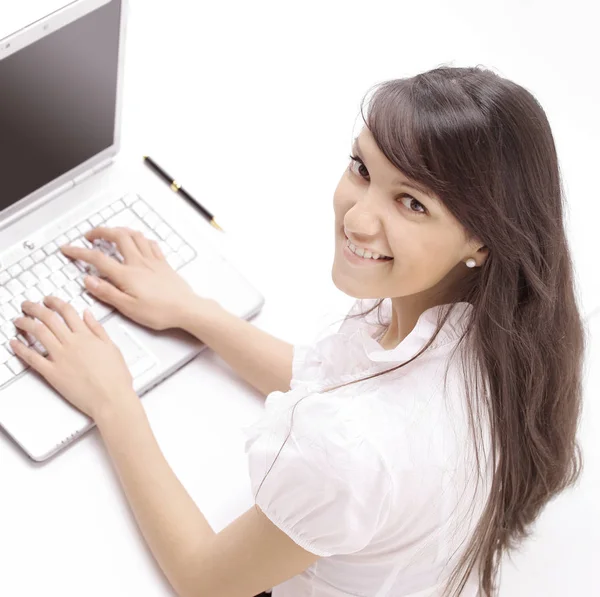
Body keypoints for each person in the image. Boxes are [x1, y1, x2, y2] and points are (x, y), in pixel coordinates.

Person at [10, 65, 585, 597]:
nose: (357, 218)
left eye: (411, 203)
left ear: (482, 238)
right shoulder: (504, 331)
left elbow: (204, 578)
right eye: (362, 169)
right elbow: (340, 379)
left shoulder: (351, 452)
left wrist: (113, 400)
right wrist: (196, 312)